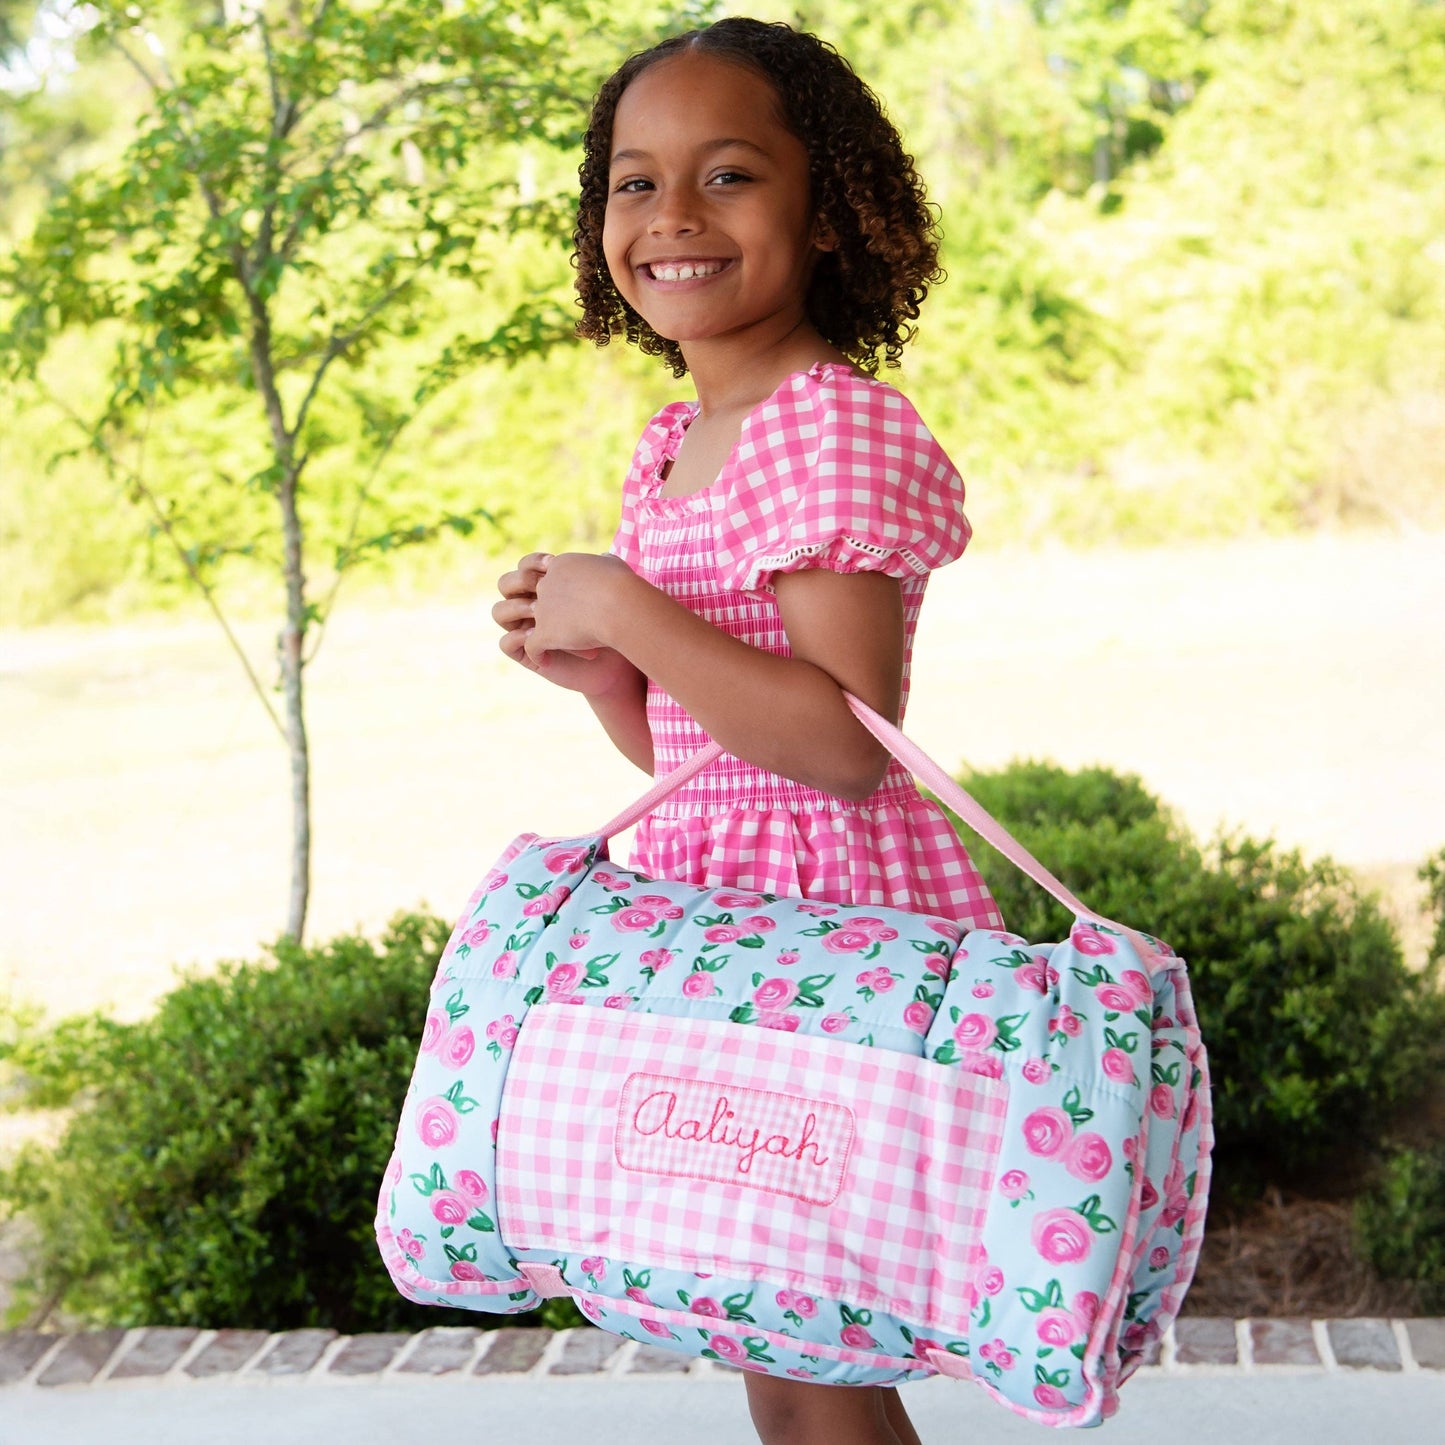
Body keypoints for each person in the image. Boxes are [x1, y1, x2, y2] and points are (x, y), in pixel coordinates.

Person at [493, 17, 1002, 1445]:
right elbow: (715, 766)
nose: (669, 218)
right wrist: (605, 676)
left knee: (817, 1343)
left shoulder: (829, 428)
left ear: (829, 209)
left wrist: (633, 611)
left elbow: (844, 744)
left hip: (826, 950)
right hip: (728, 927)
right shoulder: (677, 439)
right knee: (770, 1340)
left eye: (727, 177)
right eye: (632, 183)